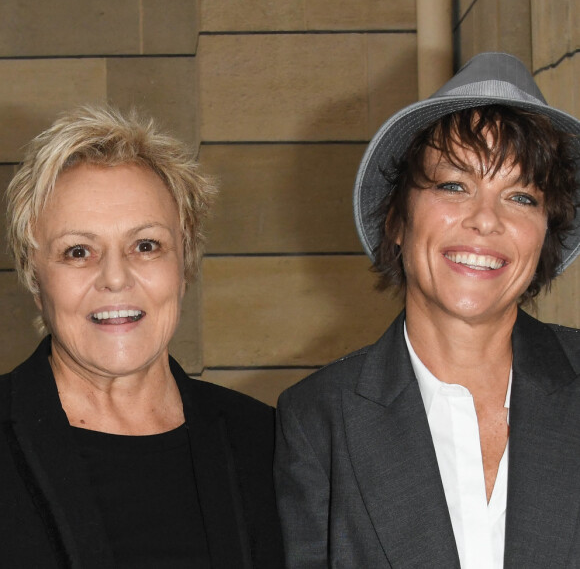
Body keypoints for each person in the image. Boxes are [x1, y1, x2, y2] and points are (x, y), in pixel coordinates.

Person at [274, 52, 580, 568]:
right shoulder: (317, 420)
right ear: (397, 218)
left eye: (521, 197)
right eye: (454, 185)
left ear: (546, 232)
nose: (486, 220)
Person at [0, 105, 285, 568]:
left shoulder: (270, 445)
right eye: (78, 251)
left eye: (146, 245)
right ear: (36, 280)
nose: (115, 277)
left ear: (185, 264)